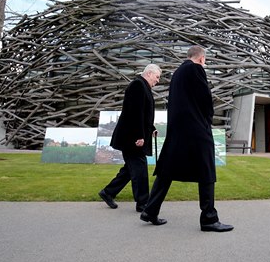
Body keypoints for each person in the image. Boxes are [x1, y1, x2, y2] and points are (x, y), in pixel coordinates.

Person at [140, 45, 233, 232]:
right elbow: (205, 99)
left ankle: (150, 210)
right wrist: (206, 122)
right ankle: (208, 218)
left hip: (178, 130)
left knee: (167, 170)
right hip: (196, 130)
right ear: (201, 59)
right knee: (206, 169)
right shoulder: (196, 68)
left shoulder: (177, 73)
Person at [98, 64, 162, 212]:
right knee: (139, 169)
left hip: (133, 136)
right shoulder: (137, 85)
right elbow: (134, 113)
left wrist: (150, 129)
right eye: (157, 77)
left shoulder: (142, 86)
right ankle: (143, 203)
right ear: (149, 73)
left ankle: (108, 192)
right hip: (132, 138)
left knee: (130, 169)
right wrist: (139, 135)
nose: (158, 80)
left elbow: (143, 113)